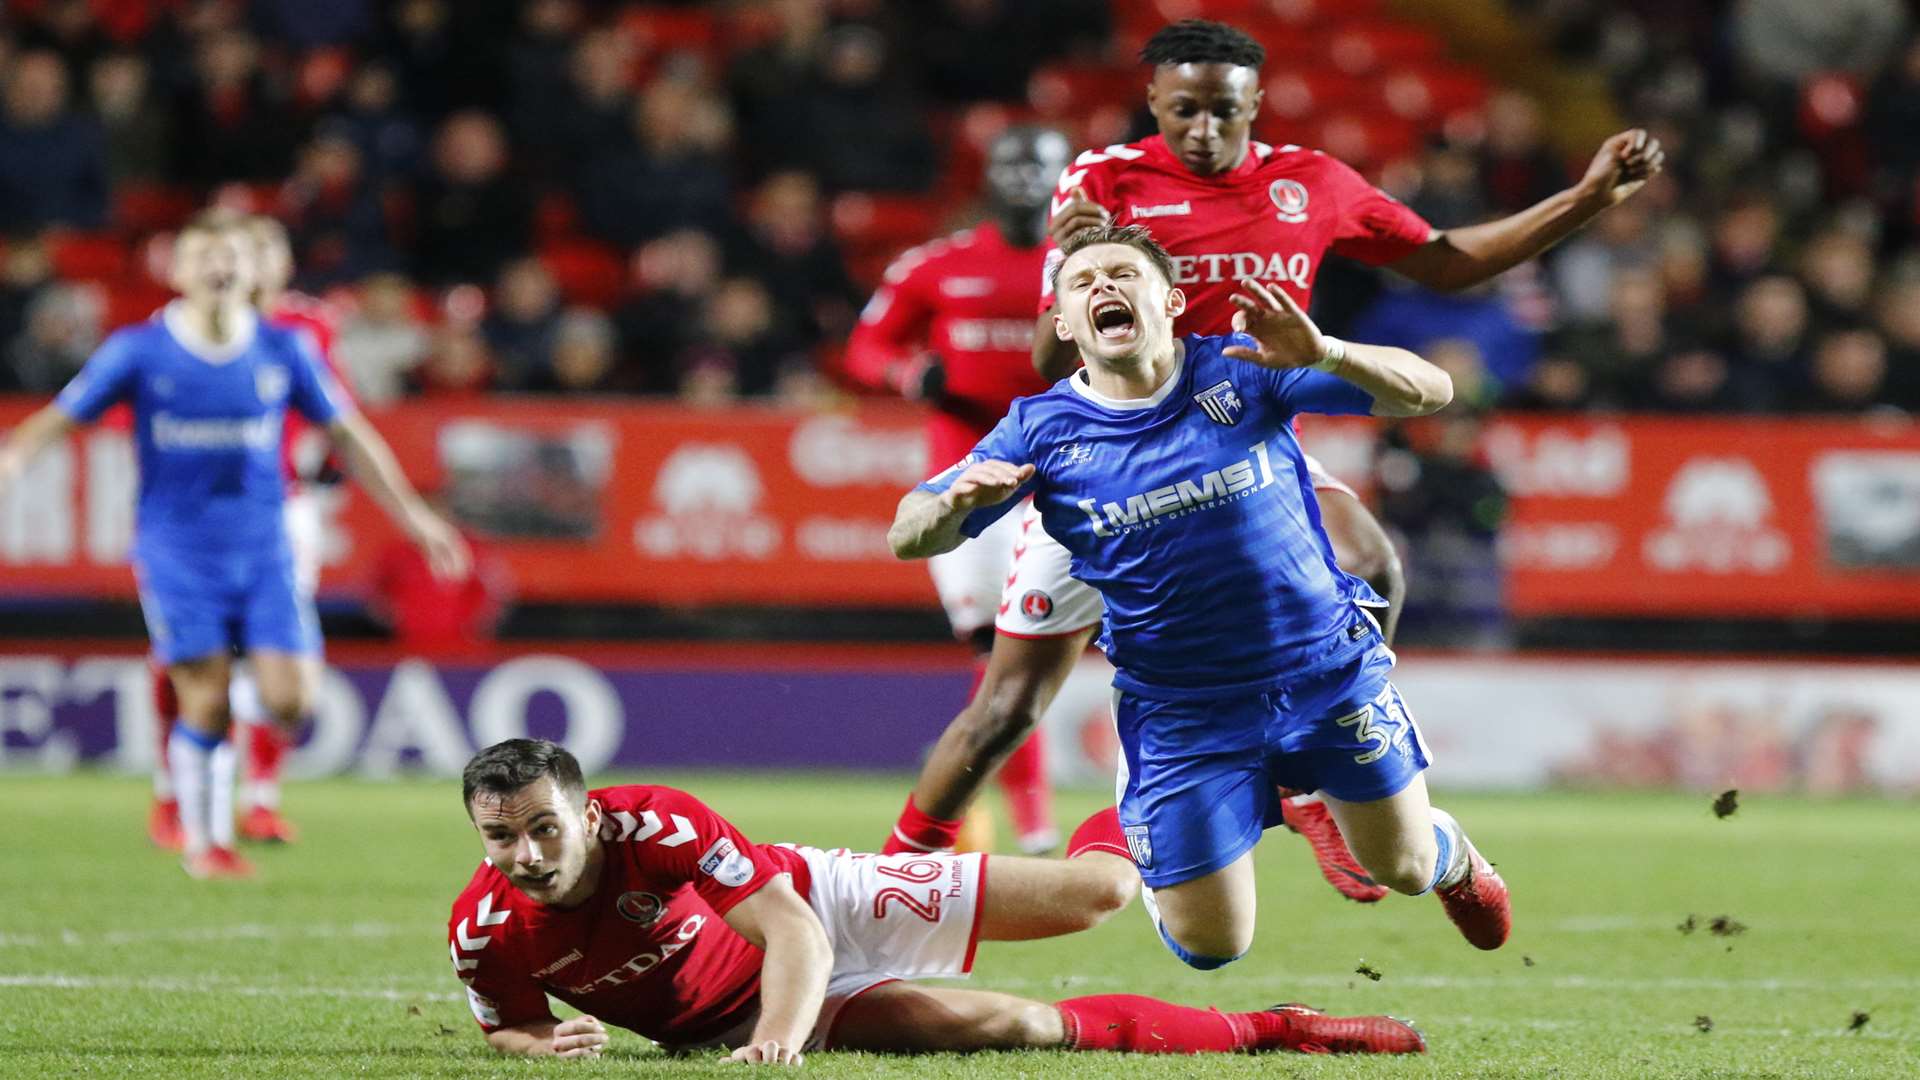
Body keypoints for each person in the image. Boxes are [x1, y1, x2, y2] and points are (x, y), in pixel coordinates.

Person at [883, 18, 1664, 902]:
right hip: (1107, 462)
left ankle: (1312, 785)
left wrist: (1590, 199)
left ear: (1257, 103)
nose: (1203, 131)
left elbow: (1445, 264)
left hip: (1240, 437)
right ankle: (895, 869)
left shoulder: (1313, 183)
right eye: (1184, 112)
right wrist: (1071, 251)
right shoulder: (1104, 182)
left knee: (1373, 561)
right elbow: (1049, 361)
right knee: (1008, 706)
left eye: (1223, 111)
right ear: (1154, 106)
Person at [888, 225, 1507, 969]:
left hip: (1325, 673)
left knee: (1403, 867)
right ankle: (1154, 812)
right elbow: (908, 534)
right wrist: (952, 505)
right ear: (1062, 323)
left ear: (1172, 301)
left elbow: (1433, 390)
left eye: (1123, 273)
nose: (1104, 289)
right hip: (1184, 708)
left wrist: (1328, 354)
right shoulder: (1037, 430)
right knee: (1211, 945)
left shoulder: (1244, 366)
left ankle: (1453, 859)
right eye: (1083, 283)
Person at [448, 738, 1425, 1061]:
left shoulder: (654, 824)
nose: (527, 853)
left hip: (816, 907)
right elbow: (509, 1029)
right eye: (503, 837)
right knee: (1018, 1028)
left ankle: (1238, 789)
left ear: (587, 812)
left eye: (545, 827)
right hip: (742, 1017)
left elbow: (787, 925)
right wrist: (542, 1045)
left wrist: (780, 1040)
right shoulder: (485, 928)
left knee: (1100, 893)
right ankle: (1275, 1029)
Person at [0, 212, 468, 879]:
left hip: (266, 544)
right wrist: (11, 466)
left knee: (291, 701)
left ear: (250, 274)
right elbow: (56, 420)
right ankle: (204, 841)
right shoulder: (138, 350)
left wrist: (415, 516)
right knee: (208, 695)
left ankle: (219, 801)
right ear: (178, 273)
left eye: (231, 258)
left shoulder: (285, 349)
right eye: (203, 257)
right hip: (177, 549)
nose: (219, 268)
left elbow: (349, 433)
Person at [844, 126, 1071, 855]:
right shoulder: (937, 265)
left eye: (1039, 161)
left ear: (1064, 174)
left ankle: (1033, 826)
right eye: (1012, 161)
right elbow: (866, 346)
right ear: (989, 175)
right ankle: (1031, 827)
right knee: (997, 653)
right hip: (968, 487)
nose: (1025, 175)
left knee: (1049, 652)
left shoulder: (1086, 266)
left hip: (1073, 479)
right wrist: (908, 376)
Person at [146, 214, 354, 850]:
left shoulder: (305, 329)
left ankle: (260, 798)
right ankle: (173, 793)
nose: (252, 264)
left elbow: (335, 412)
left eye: (267, 250)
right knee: (189, 658)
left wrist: (332, 471)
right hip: (195, 521)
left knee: (277, 656)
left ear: (283, 264)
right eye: (243, 250)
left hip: (284, 510)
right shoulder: (176, 331)